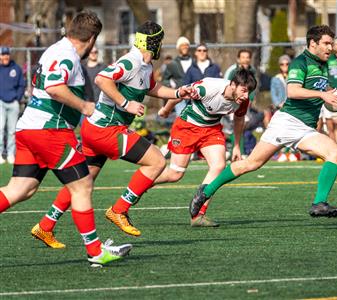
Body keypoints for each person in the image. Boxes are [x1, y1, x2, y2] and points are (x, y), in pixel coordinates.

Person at [31, 21, 197, 247]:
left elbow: (152, 88)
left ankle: (45, 226)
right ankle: (119, 209)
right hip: (106, 129)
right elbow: (102, 79)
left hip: (95, 129)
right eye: (160, 41)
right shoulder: (131, 61)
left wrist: (178, 92)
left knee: (82, 183)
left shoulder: (145, 66)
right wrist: (126, 102)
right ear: (153, 43)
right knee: (157, 161)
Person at [0, 11, 132, 266]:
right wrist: (84, 106)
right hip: (50, 130)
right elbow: (54, 87)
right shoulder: (68, 56)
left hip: (29, 128)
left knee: (21, 189)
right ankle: (95, 251)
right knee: (82, 185)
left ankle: (91, 247)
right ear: (92, 38)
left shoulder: (55, 49)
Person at [189, 25, 337, 220]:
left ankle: (319, 203)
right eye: (326, 43)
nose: (330, 48)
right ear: (313, 43)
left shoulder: (323, 64)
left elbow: (323, 87)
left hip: (305, 128)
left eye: (331, 44)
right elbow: (292, 91)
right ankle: (205, 192)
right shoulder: (300, 63)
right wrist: (322, 94)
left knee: (334, 152)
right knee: (251, 164)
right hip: (286, 123)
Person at [157, 68, 257, 227]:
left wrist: (237, 145)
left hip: (211, 129)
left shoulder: (242, 101)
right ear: (232, 84)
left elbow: (239, 120)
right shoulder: (208, 87)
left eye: (249, 92)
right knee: (175, 174)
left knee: (219, 166)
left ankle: (198, 215)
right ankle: (145, 182)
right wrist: (166, 109)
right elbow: (180, 93)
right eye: (244, 90)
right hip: (187, 127)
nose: (246, 95)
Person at [0, 46, 25, 164]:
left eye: (7, 54)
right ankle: (0, 154)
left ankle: (10, 154)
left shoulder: (16, 68)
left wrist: (17, 98)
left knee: (12, 130)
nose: (5, 57)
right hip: (1, 102)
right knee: (0, 129)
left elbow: (21, 85)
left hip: (13, 103)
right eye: (3, 54)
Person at [162, 36, 192, 115]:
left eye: (186, 45)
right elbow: (165, 79)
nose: (185, 47)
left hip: (193, 96)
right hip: (180, 97)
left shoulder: (194, 62)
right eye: (182, 45)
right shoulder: (172, 64)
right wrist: (171, 86)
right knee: (181, 118)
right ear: (178, 48)